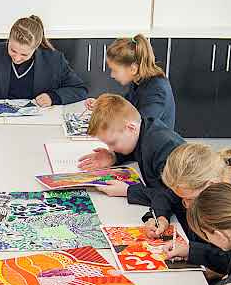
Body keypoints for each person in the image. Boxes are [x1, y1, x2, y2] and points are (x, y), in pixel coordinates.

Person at [77, 94, 184, 229]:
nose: (110, 148)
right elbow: (135, 147)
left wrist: (129, 191)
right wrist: (114, 156)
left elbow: (174, 197)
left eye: (113, 143)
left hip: (185, 222)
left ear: (131, 128)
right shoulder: (144, 130)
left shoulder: (164, 148)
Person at [0, 15, 88, 107]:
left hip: (37, 125)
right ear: (9, 39)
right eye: (13, 50)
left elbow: (80, 90)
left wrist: (53, 97)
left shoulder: (54, 60)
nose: (17, 58)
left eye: (24, 54)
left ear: (36, 47)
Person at [85, 34, 175, 129]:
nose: (112, 75)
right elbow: (125, 105)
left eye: (115, 70)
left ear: (133, 69)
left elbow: (137, 127)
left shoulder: (157, 90)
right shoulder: (138, 80)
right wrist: (102, 106)